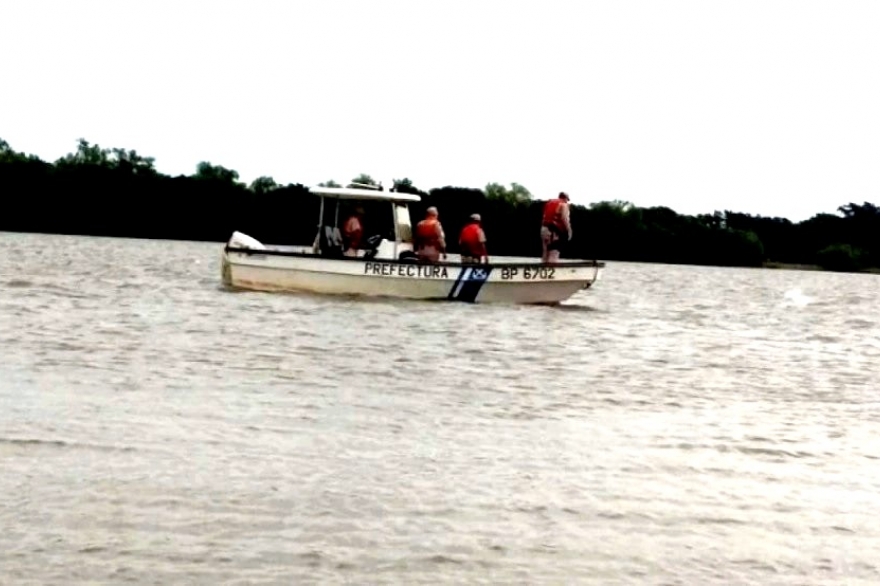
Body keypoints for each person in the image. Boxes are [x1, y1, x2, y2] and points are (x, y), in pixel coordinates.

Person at [541, 192, 572, 263]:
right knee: (554, 253)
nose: (567, 201)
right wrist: (569, 231)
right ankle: (552, 272)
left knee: (545, 253)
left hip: (544, 229)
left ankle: (543, 272)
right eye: (567, 200)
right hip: (554, 231)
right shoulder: (563, 204)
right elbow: (564, 218)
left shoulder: (549, 203)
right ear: (565, 198)